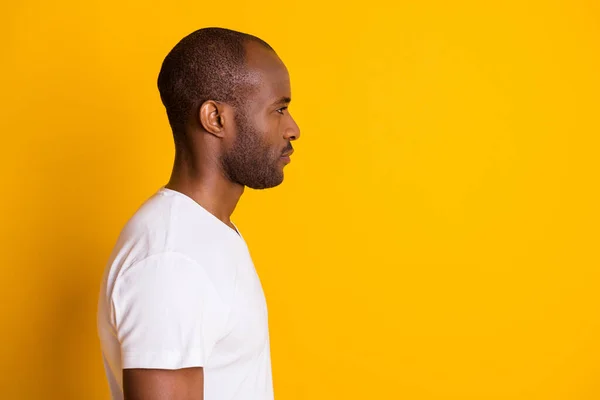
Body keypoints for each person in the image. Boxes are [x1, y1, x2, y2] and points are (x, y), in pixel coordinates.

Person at [97, 27, 301, 400]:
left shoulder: (204, 233)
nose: (293, 128)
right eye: (279, 109)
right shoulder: (170, 259)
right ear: (215, 118)